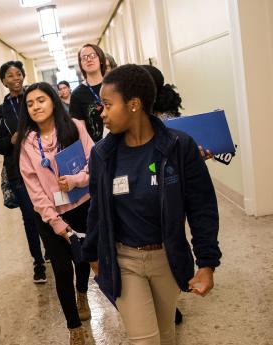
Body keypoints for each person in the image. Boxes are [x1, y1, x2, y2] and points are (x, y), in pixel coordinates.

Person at [83, 64, 222, 345]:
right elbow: (97, 211)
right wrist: (94, 259)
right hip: (125, 261)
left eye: (108, 105)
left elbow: (202, 206)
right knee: (145, 340)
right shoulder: (102, 154)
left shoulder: (178, 147)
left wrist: (207, 264)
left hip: (167, 259)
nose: (103, 114)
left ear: (134, 105)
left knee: (167, 336)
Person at [16, 82, 95, 345]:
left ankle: (82, 293)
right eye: (30, 103)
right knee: (61, 270)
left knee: (83, 260)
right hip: (49, 217)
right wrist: (54, 220)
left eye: (41, 100)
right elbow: (34, 188)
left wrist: (77, 180)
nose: (35, 107)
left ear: (52, 101)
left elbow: (95, 163)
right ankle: (74, 328)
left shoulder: (75, 127)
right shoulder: (27, 142)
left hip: (82, 206)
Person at [0, 60, 47, 284]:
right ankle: (38, 262)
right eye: (10, 76)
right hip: (18, 169)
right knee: (30, 217)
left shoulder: (35, 98)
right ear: (3, 81)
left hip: (43, 165)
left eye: (19, 74)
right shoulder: (2, 111)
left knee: (48, 210)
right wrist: (11, 140)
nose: (16, 78)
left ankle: (52, 248)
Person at [69, 43, 107, 142]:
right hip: (97, 147)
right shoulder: (77, 94)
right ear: (81, 64)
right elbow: (81, 131)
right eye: (84, 58)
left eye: (93, 56)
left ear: (101, 60)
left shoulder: (114, 84)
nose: (89, 59)